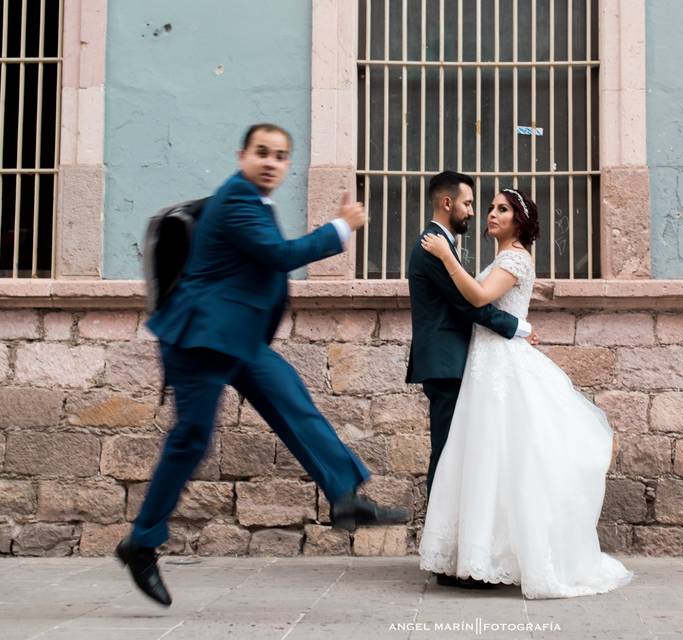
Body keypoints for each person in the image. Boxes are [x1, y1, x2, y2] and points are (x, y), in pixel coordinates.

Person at [117, 123, 409, 607]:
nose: (272, 162)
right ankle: (141, 542)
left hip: (241, 340)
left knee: (293, 402)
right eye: (262, 153)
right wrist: (340, 228)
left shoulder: (257, 203)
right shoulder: (236, 199)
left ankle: (343, 497)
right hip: (200, 341)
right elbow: (279, 256)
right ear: (242, 156)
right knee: (191, 440)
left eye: (280, 155)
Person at [417, 188, 632, 598]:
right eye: (492, 208)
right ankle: (478, 557)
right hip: (486, 361)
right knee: (483, 458)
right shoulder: (501, 257)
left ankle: (496, 558)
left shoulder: (515, 257)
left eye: (503, 209)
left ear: (519, 221)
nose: (492, 214)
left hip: (501, 363)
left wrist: (446, 258)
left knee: (500, 455)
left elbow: (479, 297)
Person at [405, 171, 536, 589]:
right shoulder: (433, 246)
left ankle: (462, 555)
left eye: (498, 207)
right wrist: (517, 327)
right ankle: (448, 558)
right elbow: (470, 305)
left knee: (470, 458)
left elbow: (476, 297)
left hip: (473, 363)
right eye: (470, 204)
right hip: (448, 362)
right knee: (450, 459)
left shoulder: (456, 247)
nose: (476, 211)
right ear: (448, 204)